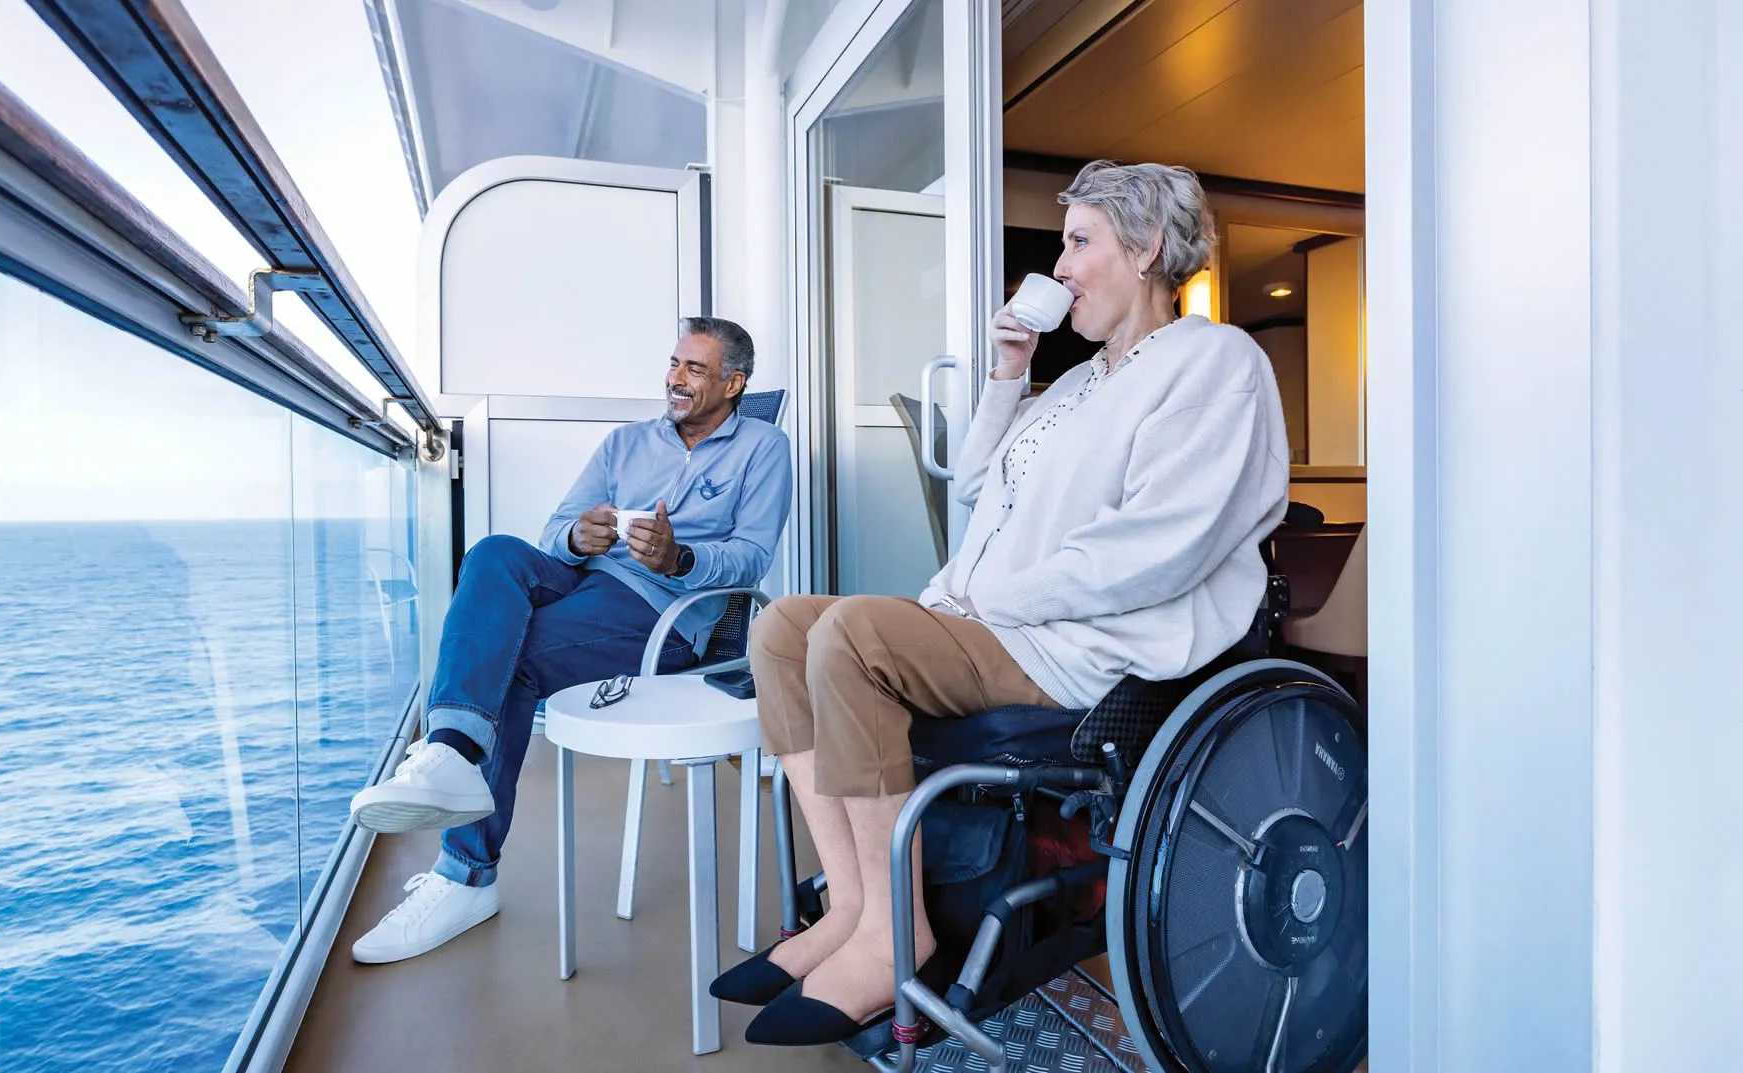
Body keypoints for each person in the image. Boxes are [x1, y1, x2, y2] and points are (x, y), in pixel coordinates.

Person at [714, 161, 1290, 1046]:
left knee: (854, 637)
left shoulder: (1213, 361)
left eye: (1078, 242)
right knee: (784, 629)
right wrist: (1009, 372)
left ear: (1145, 250)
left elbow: (1155, 547)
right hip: (1002, 621)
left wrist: (986, 602)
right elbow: (976, 487)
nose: (1059, 268)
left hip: (1075, 647)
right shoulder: (1079, 382)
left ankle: (888, 938)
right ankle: (857, 905)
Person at [348, 316, 792, 964]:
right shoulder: (626, 443)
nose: (674, 378)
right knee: (495, 552)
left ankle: (465, 872)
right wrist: (576, 539)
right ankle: (452, 752)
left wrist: (680, 558)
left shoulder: (763, 448)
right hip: (582, 576)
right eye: (673, 362)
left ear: (734, 382)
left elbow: (751, 556)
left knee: (514, 660)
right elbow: (557, 525)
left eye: (695, 368)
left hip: (660, 608)